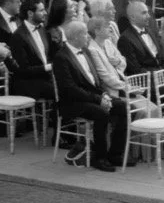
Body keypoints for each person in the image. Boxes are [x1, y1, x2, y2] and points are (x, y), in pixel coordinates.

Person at [54, 16, 128, 170]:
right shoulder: (61, 57)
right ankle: (100, 158)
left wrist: (104, 95)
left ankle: (115, 154)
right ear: (75, 37)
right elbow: (70, 89)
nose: (88, 37)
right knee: (101, 113)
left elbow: (96, 81)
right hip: (72, 102)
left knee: (122, 106)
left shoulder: (85, 51)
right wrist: (98, 99)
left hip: (90, 97)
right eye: (84, 34)